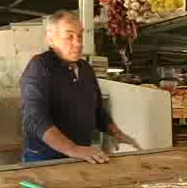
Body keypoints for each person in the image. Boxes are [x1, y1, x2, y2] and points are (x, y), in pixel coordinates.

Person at [20, 10, 142, 164]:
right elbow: (34, 118)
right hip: (44, 159)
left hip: (80, 157)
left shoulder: (85, 68)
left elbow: (96, 110)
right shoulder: (39, 66)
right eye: (69, 36)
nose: (78, 43)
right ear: (50, 40)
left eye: (80, 35)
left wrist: (116, 132)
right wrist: (72, 148)